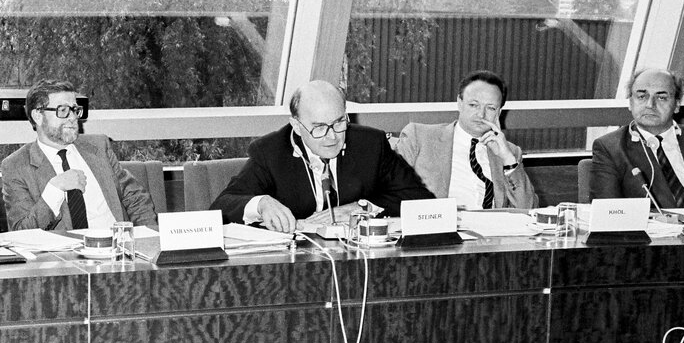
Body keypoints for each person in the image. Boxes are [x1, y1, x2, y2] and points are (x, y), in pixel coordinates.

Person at [212, 79, 433, 232]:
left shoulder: (371, 144)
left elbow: (420, 198)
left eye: (338, 123)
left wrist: (362, 207)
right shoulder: (271, 151)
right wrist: (261, 203)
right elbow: (221, 206)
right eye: (318, 127)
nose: (332, 137)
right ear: (297, 126)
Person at [1, 80, 156, 231]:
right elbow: (22, 232)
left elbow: (135, 198)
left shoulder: (99, 147)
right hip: (63, 255)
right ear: (38, 116)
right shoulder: (16, 166)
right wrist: (54, 190)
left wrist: (147, 239)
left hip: (115, 248)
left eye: (75, 110)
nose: (73, 118)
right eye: (63, 110)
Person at [394, 70, 536, 209]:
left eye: (491, 108)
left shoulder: (510, 152)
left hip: (490, 229)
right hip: (438, 226)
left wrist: (507, 159)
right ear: (459, 103)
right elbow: (390, 190)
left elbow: (527, 208)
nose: (481, 114)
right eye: (473, 105)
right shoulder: (420, 137)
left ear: (499, 112)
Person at [590, 67, 684, 207]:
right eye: (641, 96)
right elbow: (606, 213)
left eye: (661, 97)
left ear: (677, 105)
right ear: (630, 103)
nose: (650, 105)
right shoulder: (611, 148)